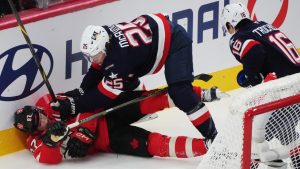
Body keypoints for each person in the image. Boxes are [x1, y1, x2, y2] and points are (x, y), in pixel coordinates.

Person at [50, 13, 228, 144]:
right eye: (88, 55)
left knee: (180, 92)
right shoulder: (103, 35)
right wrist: (81, 91)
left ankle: (215, 138)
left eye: (94, 55)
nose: (92, 59)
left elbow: (104, 95)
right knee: (116, 75)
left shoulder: (118, 60)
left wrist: (73, 105)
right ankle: (199, 95)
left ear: (105, 46)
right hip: (151, 36)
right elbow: (97, 67)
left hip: (174, 40)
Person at [14, 85, 226, 164]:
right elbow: (46, 157)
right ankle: (208, 146)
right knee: (155, 145)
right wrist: (51, 139)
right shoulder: (37, 140)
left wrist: (85, 129)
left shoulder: (49, 103)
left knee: (149, 100)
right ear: (33, 132)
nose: (42, 121)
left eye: (39, 116)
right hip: (110, 141)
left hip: (107, 112)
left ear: (38, 110)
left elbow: (87, 99)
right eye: (38, 125)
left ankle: (201, 93)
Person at [221, 2, 300, 168]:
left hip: (283, 88)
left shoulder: (238, 37)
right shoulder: (264, 25)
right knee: (286, 131)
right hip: (296, 82)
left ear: (230, 24)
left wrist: (250, 77)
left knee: (250, 137)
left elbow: (255, 52)